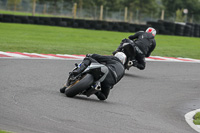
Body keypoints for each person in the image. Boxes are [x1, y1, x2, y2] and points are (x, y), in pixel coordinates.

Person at [61, 52, 126, 100]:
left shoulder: (114, 59)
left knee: (88, 59)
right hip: (109, 82)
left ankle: (77, 72)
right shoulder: (123, 71)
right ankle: (95, 90)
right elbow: (116, 81)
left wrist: (91, 55)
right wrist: (108, 85)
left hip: (106, 70)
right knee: (103, 97)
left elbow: (100, 57)